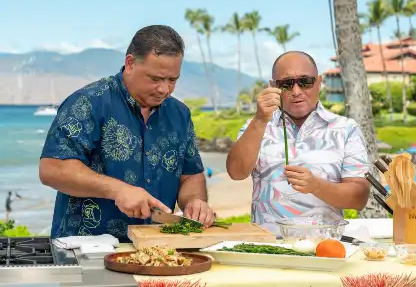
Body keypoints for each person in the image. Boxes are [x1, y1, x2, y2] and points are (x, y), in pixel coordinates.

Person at [39, 25, 215, 242]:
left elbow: (190, 175)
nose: (165, 89)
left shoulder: (180, 114)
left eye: (172, 80)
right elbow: (52, 168)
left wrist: (195, 203)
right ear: (130, 63)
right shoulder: (88, 102)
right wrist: (117, 190)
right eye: (155, 79)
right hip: (86, 250)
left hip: (158, 248)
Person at [226, 51, 370, 234]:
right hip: (268, 248)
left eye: (305, 82)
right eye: (286, 84)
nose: (296, 91)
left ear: (318, 83)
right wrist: (260, 120)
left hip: (325, 248)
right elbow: (236, 172)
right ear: (273, 87)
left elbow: (359, 197)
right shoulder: (255, 126)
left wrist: (316, 186)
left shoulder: (345, 128)